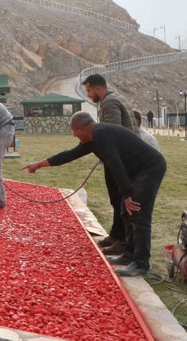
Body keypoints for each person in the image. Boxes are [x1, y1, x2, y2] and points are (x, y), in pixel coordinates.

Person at [22, 112, 166, 277]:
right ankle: (129, 255)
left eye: (74, 131)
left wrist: (126, 195)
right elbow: (69, 155)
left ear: (81, 128)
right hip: (138, 171)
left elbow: (115, 164)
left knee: (137, 212)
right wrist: (38, 164)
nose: (74, 135)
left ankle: (141, 263)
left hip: (150, 168)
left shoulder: (100, 134)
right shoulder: (92, 139)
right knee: (126, 211)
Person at [82, 74, 136, 255]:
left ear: (98, 88)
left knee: (121, 200)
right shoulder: (117, 98)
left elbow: (113, 133)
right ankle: (116, 234)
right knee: (116, 200)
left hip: (120, 159)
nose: (88, 95)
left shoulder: (109, 103)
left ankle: (122, 240)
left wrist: (104, 152)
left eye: (89, 90)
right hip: (122, 156)